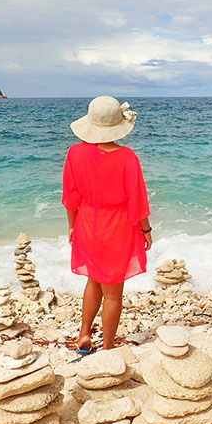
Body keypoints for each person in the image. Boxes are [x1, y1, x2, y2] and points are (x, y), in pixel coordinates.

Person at [61, 96, 152, 352]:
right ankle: (108, 346)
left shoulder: (75, 153)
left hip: (87, 222)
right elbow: (138, 200)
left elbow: (70, 196)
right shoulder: (127, 157)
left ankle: (83, 335)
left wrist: (72, 225)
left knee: (93, 280)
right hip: (118, 226)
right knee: (112, 292)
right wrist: (145, 230)